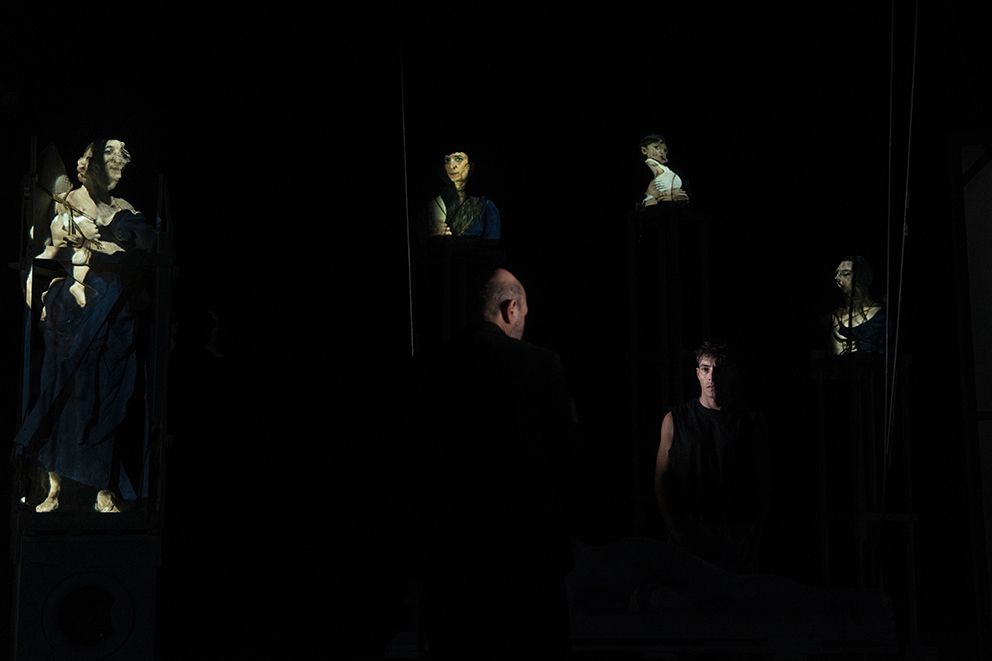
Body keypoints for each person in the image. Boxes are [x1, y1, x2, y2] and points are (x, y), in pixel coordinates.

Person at [414, 267, 578, 659]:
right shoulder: (541, 365)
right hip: (527, 560)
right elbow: (568, 458)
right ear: (510, 308)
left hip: (451, 562)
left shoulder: (426, 369)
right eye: (523, 314)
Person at [14, 138, 156, 513]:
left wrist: (108, 249)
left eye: (122, 156)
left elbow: (145, 254)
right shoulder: (67, 205)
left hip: (114, 319)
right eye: (108, 154)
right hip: (73, 319)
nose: (118, 161)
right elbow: (46, 252)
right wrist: (40, 286)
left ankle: (103, 488)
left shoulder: (125, 211)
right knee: (66, 398)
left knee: (108, 402)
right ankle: (54, 488)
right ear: (86, 165)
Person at [654, 342, 768, 572]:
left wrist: (753, 533)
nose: (711, 377)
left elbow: (763, 479)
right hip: (689, 535)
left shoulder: (750, 422)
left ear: (730, 373)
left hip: (735, 537)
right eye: (706, 369)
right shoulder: (675, 420)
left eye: (718, 369)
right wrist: (674, 527)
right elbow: (661, 478)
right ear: (698, 373)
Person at [425, 150, 501, 240]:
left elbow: (493, 243)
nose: (451, 166)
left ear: (469, 165)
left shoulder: (487, 206)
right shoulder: (435, 203)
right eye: (447, 160)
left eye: (458, 159)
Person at [830, 255, 888, 355]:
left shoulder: (882, 316)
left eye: (846, 273)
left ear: (861, 277)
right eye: (837, 274)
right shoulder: (836, 317)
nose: (837, 278)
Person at [639, 134, 689, 206]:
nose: (662, 152)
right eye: (656, 147)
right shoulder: (649, 165)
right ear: (644, 150)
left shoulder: (668, 169)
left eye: (665, 150)